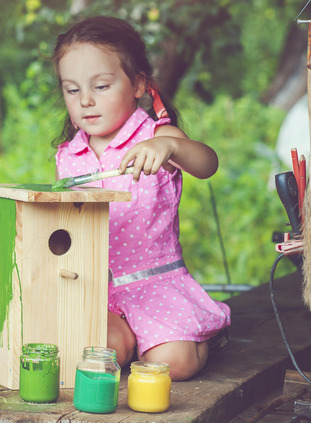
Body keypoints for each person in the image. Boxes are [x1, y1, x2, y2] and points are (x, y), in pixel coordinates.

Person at [52, 16, 231, 381]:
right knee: (95, 353)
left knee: (173, 365)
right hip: (99, 291)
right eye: (72, 90)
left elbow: (207, 164)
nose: (85, 100)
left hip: (154, 285)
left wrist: (170, 146)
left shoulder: (157, 136)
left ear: (137, 85)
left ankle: (195, 336)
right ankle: (133, 339)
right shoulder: (68, 156)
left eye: (101, 86)